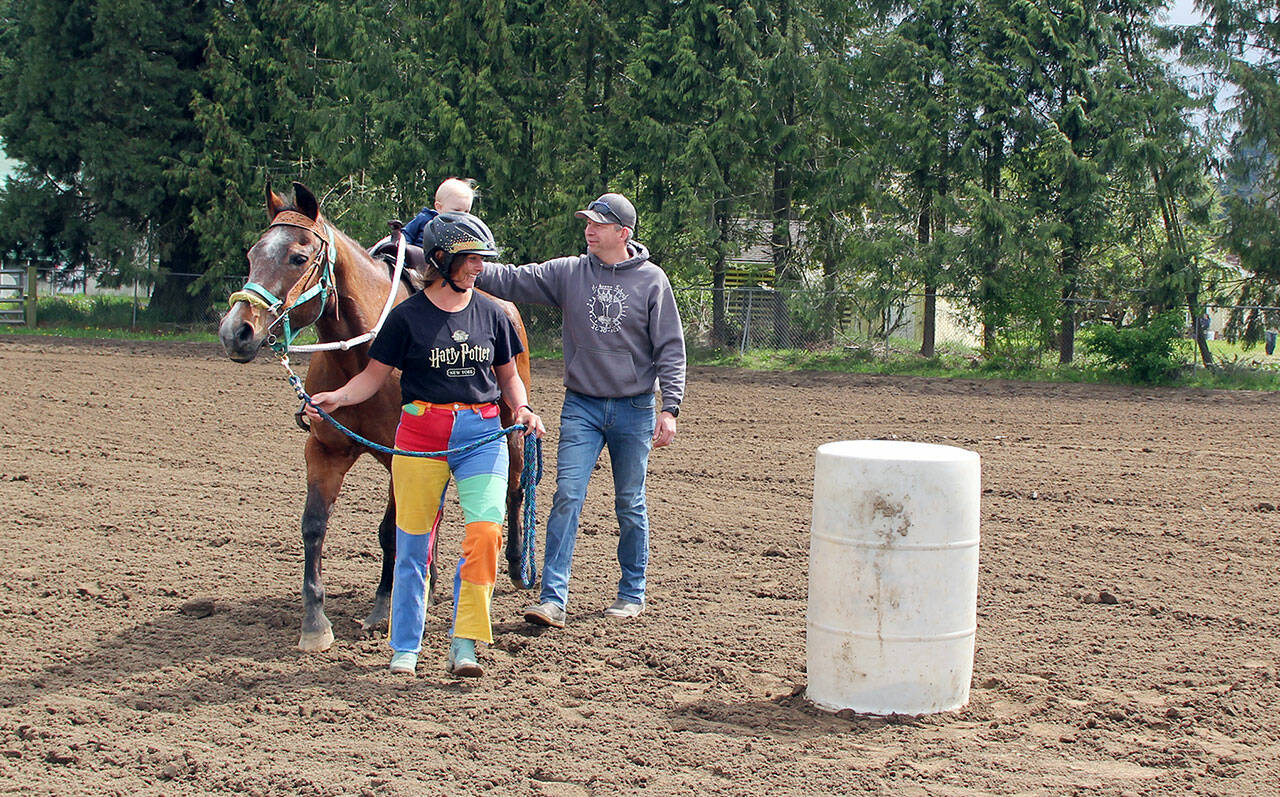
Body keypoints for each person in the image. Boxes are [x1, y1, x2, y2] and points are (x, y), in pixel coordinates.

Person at [304, 212, 544, 677]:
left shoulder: (495, 314)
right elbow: (372, 379)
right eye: (471, 259)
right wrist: (336, 397)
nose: (480, 268)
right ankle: (406, 648)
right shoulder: (405, 318)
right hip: (419, 434)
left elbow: (509, 378)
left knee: (486, 534)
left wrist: (525, 409)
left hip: (482, 435)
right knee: (413, 545)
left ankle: (465, 643)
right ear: (443, 258)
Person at [476, 192, 686, 628]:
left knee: (630, 503)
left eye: (598, 224)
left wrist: (670, 408)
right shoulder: (570, 272)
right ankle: (553, 599)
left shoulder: (652, 281)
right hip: (582, 407)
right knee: (567, 496)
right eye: (587, 222)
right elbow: (511, 278)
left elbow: (670, 347)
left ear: (622, 233)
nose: (588, 229)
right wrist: (455, 257)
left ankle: (632, 592)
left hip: (634, 409)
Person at [401, 177, 476, 247]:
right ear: (439, 207)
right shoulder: (425, 218)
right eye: (456, 211)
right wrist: (405, 250)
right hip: (416, 257)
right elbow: (405, 235)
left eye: (466, 211)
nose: (461, 215)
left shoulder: (462, 229)